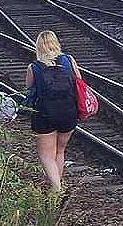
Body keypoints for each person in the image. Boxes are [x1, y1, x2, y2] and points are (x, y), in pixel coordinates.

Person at [24, 30, 81, 194]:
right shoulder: (68, 60)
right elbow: (79, 81)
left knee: (46, 155)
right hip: (69, 112)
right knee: (60, 150)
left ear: (38, 47)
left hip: (45, 114)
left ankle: (58, 189)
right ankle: (57, 187)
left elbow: (29, 89)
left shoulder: (34, 67)